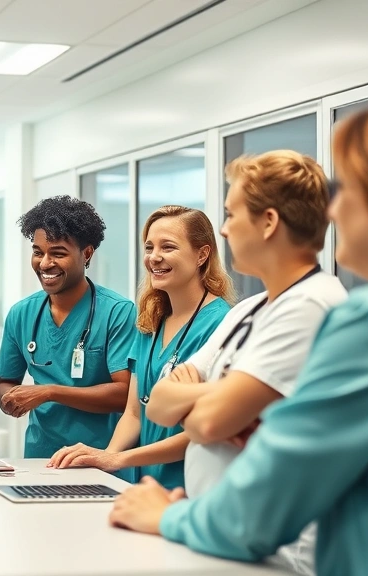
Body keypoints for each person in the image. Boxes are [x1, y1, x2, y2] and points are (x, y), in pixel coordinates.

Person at [110, 86, 368, 576]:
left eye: (348, 190)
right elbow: (180, 411)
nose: (332, 213)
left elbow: (259, 503)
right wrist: (227, 403)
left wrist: (168, 515)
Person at [139, 151, 346, 576]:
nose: (226, 231)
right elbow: (159, 404)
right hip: (219, 532)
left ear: (268, 222)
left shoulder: (311, 305)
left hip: (279, 553)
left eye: (231, 215)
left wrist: (204, 409)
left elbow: (208, 425)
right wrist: (227, 395)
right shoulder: (248, 310)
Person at [49, 206, 234, 489]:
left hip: (189, 486)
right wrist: (104, 457)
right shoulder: (151, 321)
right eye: (149, 247)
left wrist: (120, 460)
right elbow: (135, 412)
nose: (154, 257)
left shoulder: (222, 324)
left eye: (168, 247)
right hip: (142, 484)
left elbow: (207, 429)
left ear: (202, 255)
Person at [0, 195, 136, 460]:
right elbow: (6, 382)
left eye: (58, 253)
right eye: (38, 252)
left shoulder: (117, 311)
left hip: (99, 457)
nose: (45, 263)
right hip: (40, 458)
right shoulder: (22, 314)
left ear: (87, 253)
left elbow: (124, 394)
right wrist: (11, 398)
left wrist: (48, 392)